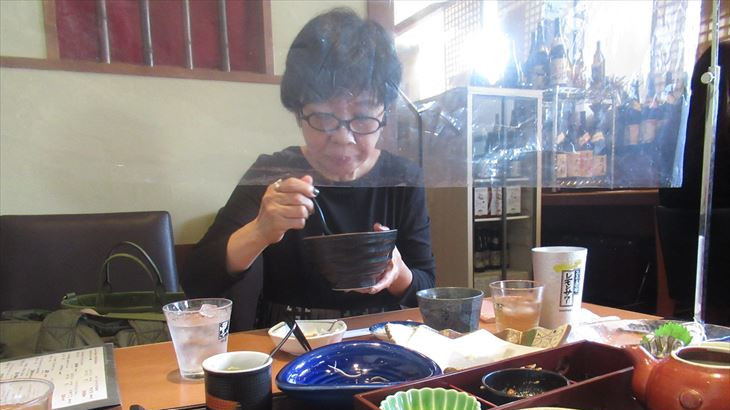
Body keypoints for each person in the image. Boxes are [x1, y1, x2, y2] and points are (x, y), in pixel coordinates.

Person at [181, 8, 436, 331]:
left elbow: (427, 288)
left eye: (362, 118)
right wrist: (260, 231)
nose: (343, 138)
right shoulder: (274, 173)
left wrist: (398, 273)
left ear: (384, 114)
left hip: (380, 338)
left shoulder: (402, 179)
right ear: (298, 113)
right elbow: (197, 280)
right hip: (289, 340)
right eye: (324, 117)